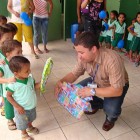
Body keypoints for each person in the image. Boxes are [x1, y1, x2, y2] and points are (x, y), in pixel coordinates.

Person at [55, 32, 129, 131]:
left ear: (93, 49)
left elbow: (117, 90)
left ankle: (111, 118)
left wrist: (91, 91)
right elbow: (74, 74)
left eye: (81, 52)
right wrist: (61, 82)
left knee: (110, 109)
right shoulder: (82, 58)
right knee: (76, 92)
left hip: (115, 86)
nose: (79, 56)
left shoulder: (112, 60)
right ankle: (97, 104)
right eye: (77, 52)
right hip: (97, 80)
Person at [7, 56, 40, 140]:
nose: (29, 71)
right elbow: (8, 96)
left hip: (31, 105)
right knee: (22, 122)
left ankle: (30, 127)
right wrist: (17, 107)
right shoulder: (13, 84)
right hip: (21, 109)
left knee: (31, 118)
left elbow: (33, 87)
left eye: (29, 69)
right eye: (26, 71)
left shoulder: (30, 78)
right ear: (16, 73)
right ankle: (24, 134)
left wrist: (40, 84)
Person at [0, 40, 22, 130]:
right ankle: (10, 120)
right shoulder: (3, 66)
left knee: (19, 106)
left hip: (18, 92)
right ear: (8, 54)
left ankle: (20, 119)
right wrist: (8, 80)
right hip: (8, 93)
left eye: (21, 52)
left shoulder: (19, 63)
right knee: (9, 109)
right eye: (18, 52)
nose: (21, 54)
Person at [0, 25, 13, 116]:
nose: (10, 40)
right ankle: (5, 107)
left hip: (9, 76)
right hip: (3, 79)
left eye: (11, 38)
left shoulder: (11, 49)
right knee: (3, 94)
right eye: (7, 38)